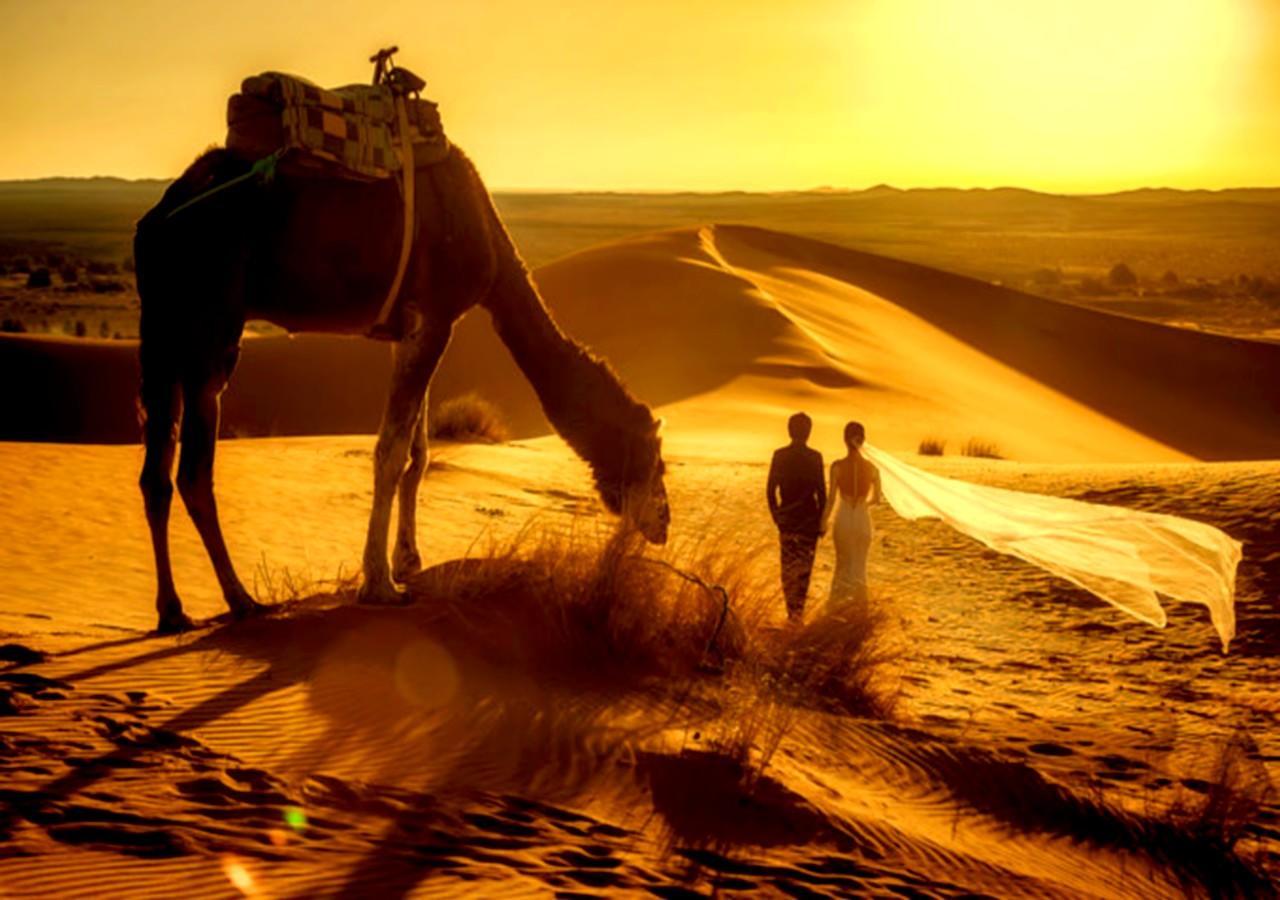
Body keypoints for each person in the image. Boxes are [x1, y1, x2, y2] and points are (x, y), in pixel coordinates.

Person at [767, 412, 826, 621]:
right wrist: (820, 522)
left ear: (789, 430)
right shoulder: (815, 457)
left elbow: (770, 490)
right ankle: (797, 614)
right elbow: (822, 493)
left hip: (788, 523)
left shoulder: (779, 455)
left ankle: (791, 613)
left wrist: (777, 516)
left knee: (788, 569)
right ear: (808, 432)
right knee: (804, 570)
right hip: (808, 523)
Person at [820, 421, 881, 613]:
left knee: (843, 564)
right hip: (862, 519)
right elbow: (877, 499)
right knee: (859, 567)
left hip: (844, 518)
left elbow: (830, 501)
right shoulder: (873, 469)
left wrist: (823, 523)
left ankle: (838, 611)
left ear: (845, 440)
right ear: (863, 441)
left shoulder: (837, 466)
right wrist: (862, 505)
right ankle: (859, 611)